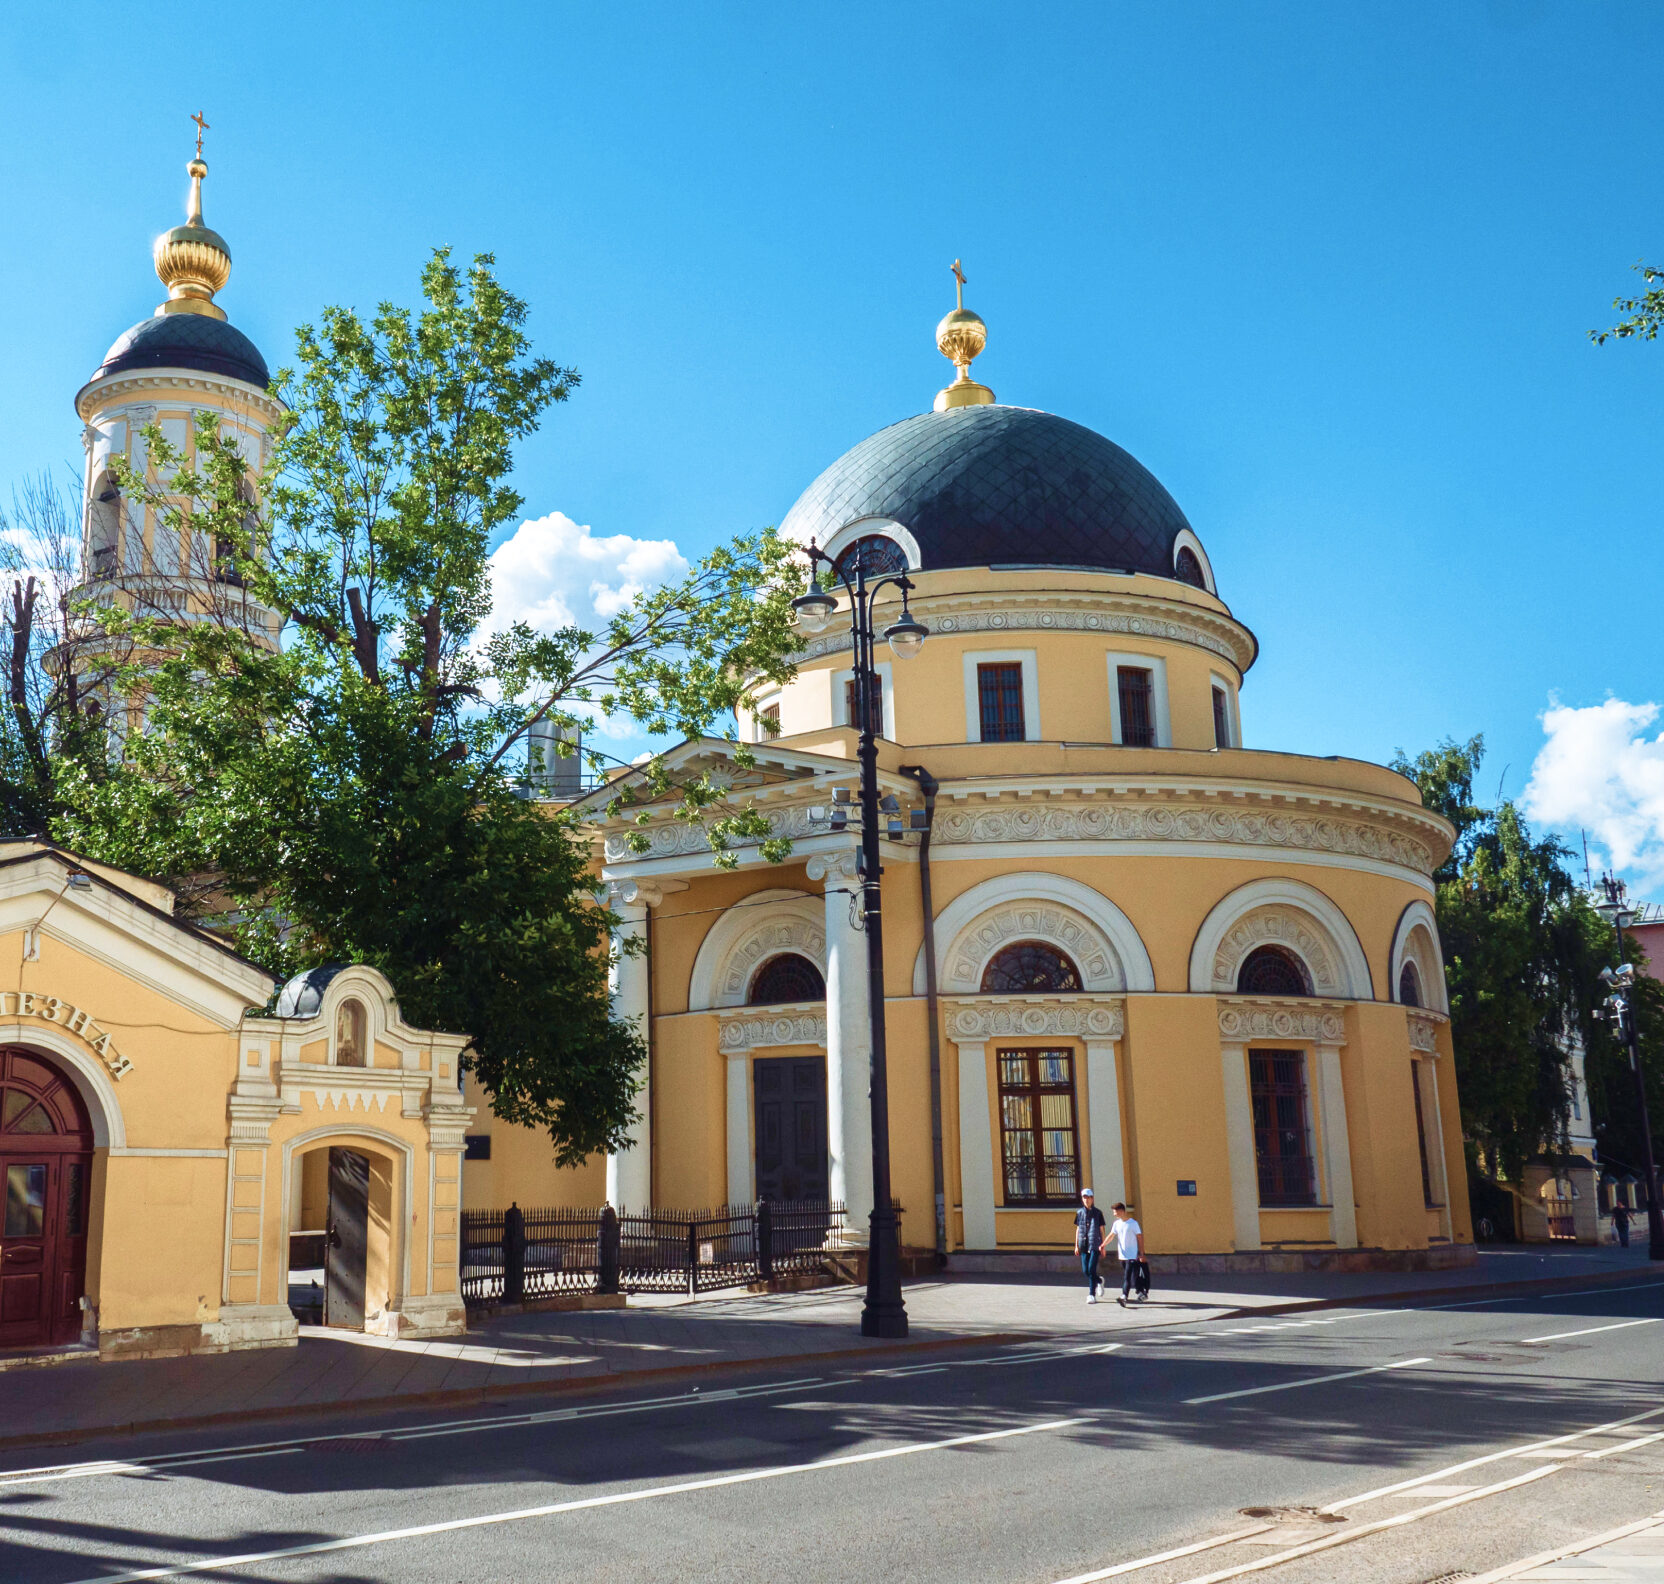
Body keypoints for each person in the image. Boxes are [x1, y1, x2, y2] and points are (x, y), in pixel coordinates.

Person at [1109, 1201, 1145, 1306]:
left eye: (1115, 1212)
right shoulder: (1116, 1224)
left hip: (1132, 1255)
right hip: (1122, 1255)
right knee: (1132, 1275)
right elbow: (1111, 1235)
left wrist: (1141, 1253)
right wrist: (1102, 1245)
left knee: (1127, 1276)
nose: (1114, 1214)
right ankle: (1141, 1291)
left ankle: (1124, 1296)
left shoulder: (1133, 1223)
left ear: (1121, 1211)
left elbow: (1140, 1238)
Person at [1075, 1188, 1107, 1304]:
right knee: (1085, 1271)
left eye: (1089, 1197)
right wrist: (1076, 1245)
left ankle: (1091, 1295)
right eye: (1084, 1197)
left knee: (1091, 1269)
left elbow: (1102, 1230)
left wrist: (1103, 1246)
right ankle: (1099, 1281)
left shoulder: (1098, 1213)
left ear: (1092, 1199)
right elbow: (1078, 1229)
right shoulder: (1079, 1213)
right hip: (1083, 1244)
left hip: (1095, 1245)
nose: (1086, 1200)